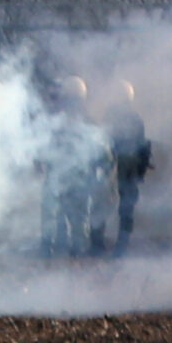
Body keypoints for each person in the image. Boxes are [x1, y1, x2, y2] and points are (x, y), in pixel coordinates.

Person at [39, 74, 112, 257]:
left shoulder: (54, 122)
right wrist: (101, 171)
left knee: (55, 217)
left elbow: (42, 148)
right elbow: (104, 155)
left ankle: (51, 250)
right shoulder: (90, 124)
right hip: (81, 178)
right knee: (78, 219)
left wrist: (43, 165)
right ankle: (76, 253)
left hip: (59, 178)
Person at [103, 78, 154, 256]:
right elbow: (142, 146)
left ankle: (100, 243)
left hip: (116, 166)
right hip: (125, 167)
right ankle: (120, 245)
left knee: (109, 205)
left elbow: (104, 140)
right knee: (125, 207)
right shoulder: (134, 119)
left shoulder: (111, 116)